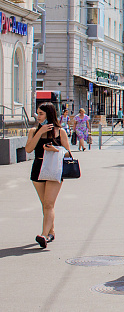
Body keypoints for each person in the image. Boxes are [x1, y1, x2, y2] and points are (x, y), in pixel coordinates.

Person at [24, 103, 72, 249]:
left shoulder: (60, 131)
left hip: (54, 169)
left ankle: (43, 235)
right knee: (45, 204)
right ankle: (51, 231)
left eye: (41, 114)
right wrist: (40, 132)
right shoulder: (33, 131)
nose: (38, 117)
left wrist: (55, 150)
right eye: (37, 113)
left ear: (49, 115)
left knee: (49, 204)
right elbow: (28, 149)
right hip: (38, 169)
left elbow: (69, 153)